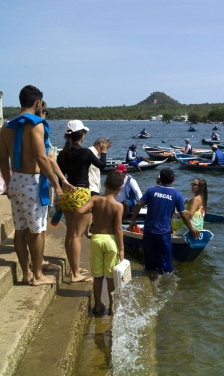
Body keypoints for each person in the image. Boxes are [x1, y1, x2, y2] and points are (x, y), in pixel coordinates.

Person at [0, 85, 64, 285]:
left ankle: (26, 273)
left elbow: (2, 160)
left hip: (15, 180)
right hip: (31, 182)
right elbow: (41, 158)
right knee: (37, 231)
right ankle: (37, 276)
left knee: (20, 230)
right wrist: (57, 185)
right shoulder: (36, 124)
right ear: (37, 103)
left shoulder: (6, 126)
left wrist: (8, 184)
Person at [57, 120, 109, 283]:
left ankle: (74, 268)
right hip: (81, 194)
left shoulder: (62, 154)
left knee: (70, 234)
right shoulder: (86, 152)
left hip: (67, 192)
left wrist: (59, 195)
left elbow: (60, 178)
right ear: (82, 135)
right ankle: (75, 275)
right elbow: (102, 165)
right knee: (77, 236)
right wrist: (104, 151)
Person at [127, 168, 199, 274]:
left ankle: (150, 276)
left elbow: (138, 204)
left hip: (149, 231)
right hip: (163, 233)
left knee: (149, 261)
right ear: (173, 179)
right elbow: (183, 214)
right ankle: (163, 284)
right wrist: (191, 228)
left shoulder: (151, 190)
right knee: (165, 264)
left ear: (160, 178)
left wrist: (132, 220)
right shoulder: (176, 194)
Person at [75, 170, 124, 315]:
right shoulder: (118, 206)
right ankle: (112, 307)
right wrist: (121, 249)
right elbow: (119, 228)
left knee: (97, 276)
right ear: (119, 189)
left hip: (96, 239)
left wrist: (90, 216)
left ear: (104, 184)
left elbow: (79, 211)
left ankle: (97, 305)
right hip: (111, 241)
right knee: (110, 278)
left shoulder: (95, 199)